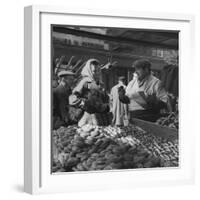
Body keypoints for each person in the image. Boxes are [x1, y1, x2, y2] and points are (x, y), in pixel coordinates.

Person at [69, 58, 110, 127]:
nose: (97, 73)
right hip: (88, 116)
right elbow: (72, 98)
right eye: (94, 71)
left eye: (98, 71)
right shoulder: (85, 82)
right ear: (89, 71)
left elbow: (103, 98)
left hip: (101, 116)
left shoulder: (100, 83)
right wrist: (85, 103)